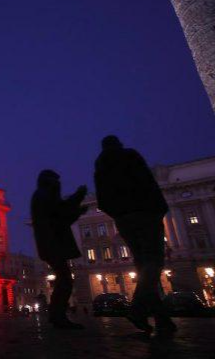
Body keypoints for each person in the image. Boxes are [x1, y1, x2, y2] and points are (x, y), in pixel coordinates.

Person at [94, 135, 177, 335]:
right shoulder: (130, 156)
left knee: (144, 265)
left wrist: (118, 214)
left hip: (124, 219)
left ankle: (161, 318)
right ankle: (138, 308)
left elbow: (102, 199)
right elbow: (147, 181)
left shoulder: (100, 167)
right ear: (119, 144)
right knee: (154, 262)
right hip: (146, 213)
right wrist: (159, 208)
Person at [31, 170, 88, 329]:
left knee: (64, 279)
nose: (59, 184)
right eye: (56, 181)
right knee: (65, 280)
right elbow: (61, 214)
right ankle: (58, 316)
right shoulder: (44, 196)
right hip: (52, 243)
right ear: (50, 182)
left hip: (50, 244)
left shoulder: (42, 195)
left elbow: (61, 211)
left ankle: (57, 315)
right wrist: (77, 198)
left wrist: (77, 202)